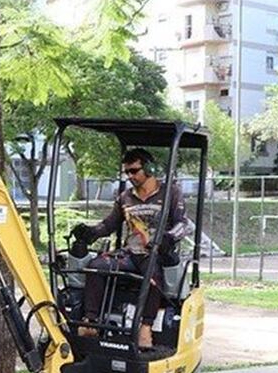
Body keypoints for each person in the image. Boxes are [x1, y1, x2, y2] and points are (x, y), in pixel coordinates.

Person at [70, 148, 190, 348]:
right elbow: (109, 225)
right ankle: (91, 322)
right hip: (129, 254)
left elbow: (183, 223)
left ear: (149, 168)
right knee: (95, 265)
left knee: (152, 275)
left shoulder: (171, 193)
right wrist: (90, 232)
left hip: (155, 253)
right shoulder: (125, 197)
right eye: (127, 172)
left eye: (134, 171)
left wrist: (169, 238)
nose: (130, 176)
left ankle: (145, 328)